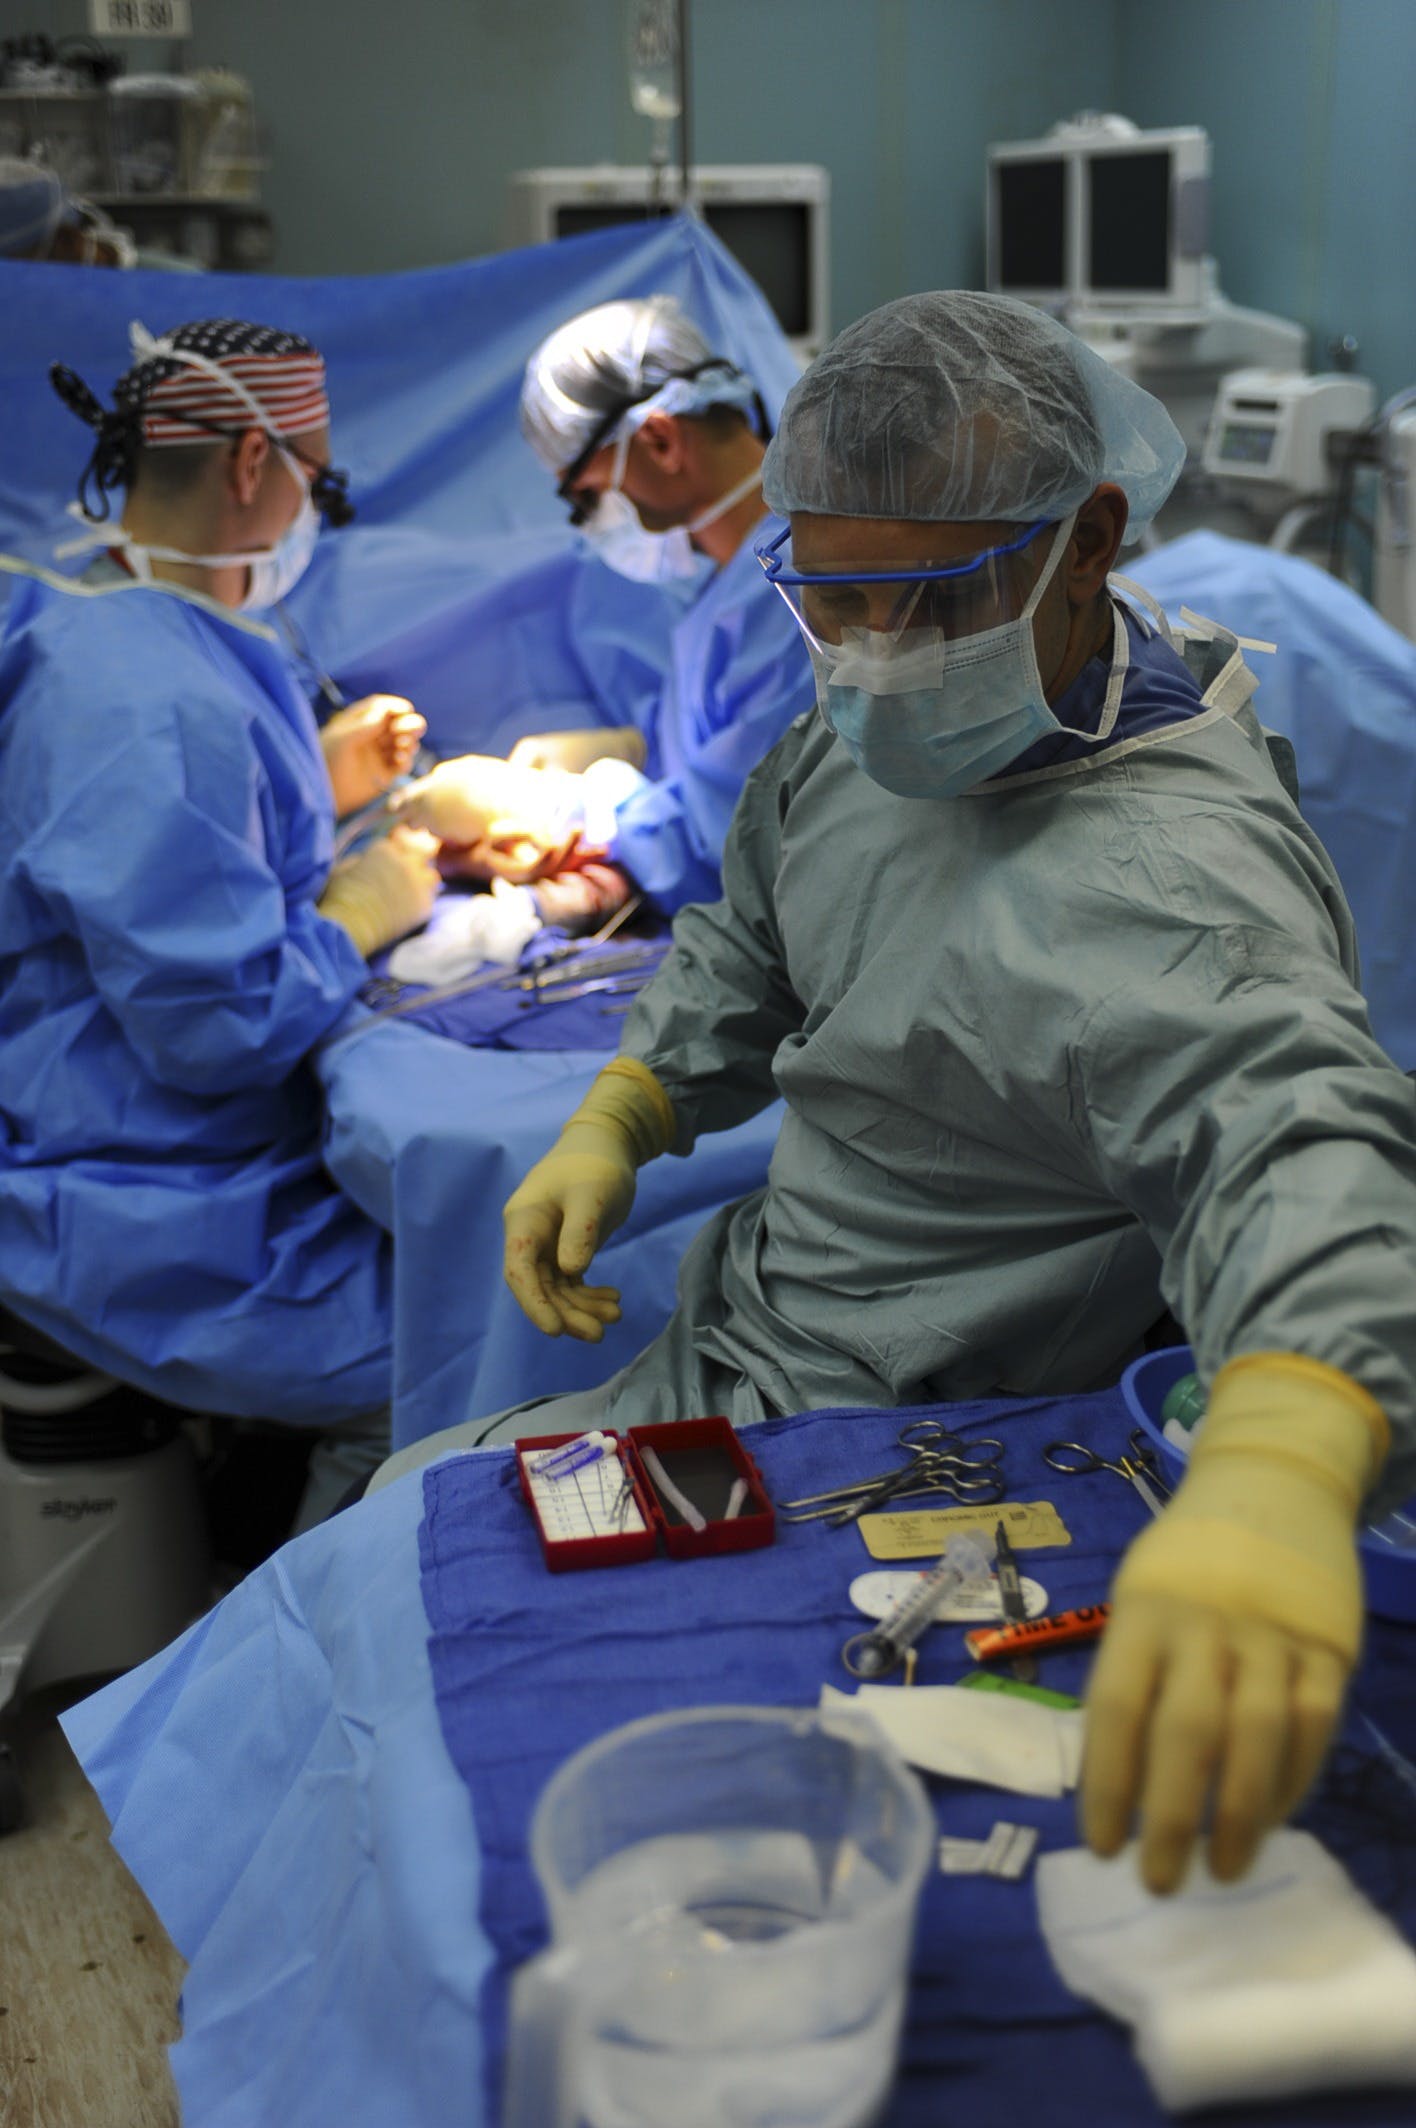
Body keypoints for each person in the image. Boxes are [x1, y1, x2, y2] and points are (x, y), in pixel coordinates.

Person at [372, 292, 1416, 1895]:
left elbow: (1300, 1146)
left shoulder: (1171, 876)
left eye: (919, 605)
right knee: (399, 1529)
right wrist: (637, 1100)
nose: (868, 661)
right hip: (750, 1344)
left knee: (446, 1666)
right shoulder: (891, 704)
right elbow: (761, 919)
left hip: (919, 1428)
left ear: (1093, 540)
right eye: (830, 600)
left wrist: (1287, 1449)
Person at [0, 316, 502, 1522]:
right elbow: (216, 1029)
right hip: (126, 1196)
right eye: (314, 477)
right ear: (248, 466)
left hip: (164, 1153)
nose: (313, 508)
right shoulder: (146, 694)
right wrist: (359, 913)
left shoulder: (109, 606)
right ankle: (299, 1646)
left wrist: (313, 783)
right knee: (458, 1358)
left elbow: (147, 855)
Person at [392, 296, 816, 915]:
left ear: (662, 441)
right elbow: (726, 736)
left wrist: (559, 808)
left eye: (588, 496)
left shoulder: (789, 596)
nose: (594, 523)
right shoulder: (737, 579)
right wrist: (632, 746)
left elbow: (731, 844)